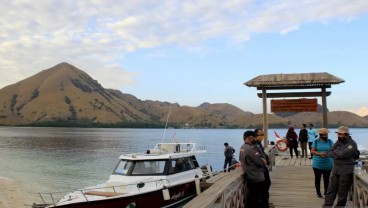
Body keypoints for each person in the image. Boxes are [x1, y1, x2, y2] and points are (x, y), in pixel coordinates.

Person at [323, 126, 357, 208]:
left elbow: (342, 154)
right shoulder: (338, 141)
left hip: (346, 171)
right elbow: (330, 151)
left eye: (341, 134)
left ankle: (339, 207)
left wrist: (335, 153)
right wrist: (336, 153)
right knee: (331, 190)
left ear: (346, 135)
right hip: (336, 170)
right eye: (338, 134)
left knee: (342, 191)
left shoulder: (352, 144)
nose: (339, 136)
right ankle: (327, 206)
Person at [239, 130, 268, 208]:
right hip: (256, 177)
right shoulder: (250, 149)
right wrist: (263, 159)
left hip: (250, 175)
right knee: (258, 197)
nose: (256, 139)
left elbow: (240, 160)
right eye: (254, 137)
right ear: (250, 138)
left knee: (252, 197)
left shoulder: (242, 147)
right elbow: (262, 162)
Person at [311, 128, 334, 198]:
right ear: (320, 135)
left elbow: (333, 150)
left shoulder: (330, 142)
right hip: (317, 164)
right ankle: (318, 193)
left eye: (326, 134)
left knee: (326, 179)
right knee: (317, 179)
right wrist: (319, 154)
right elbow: (312, 151)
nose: (325, 136)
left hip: (328, 164)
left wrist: (329, 154)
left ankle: (326, 193)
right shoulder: (316, 142)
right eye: (323, 135)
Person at [254, 128, 272, 207]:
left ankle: (265, 202)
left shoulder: (259, 143)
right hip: (259, 169)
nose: (262, 136)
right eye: (260, 135)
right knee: (264, 186)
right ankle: (263, 203)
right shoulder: (254, 144)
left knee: (267, 183)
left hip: (264, 167)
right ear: (255, 135)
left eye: (263, 135)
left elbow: (262, 153)